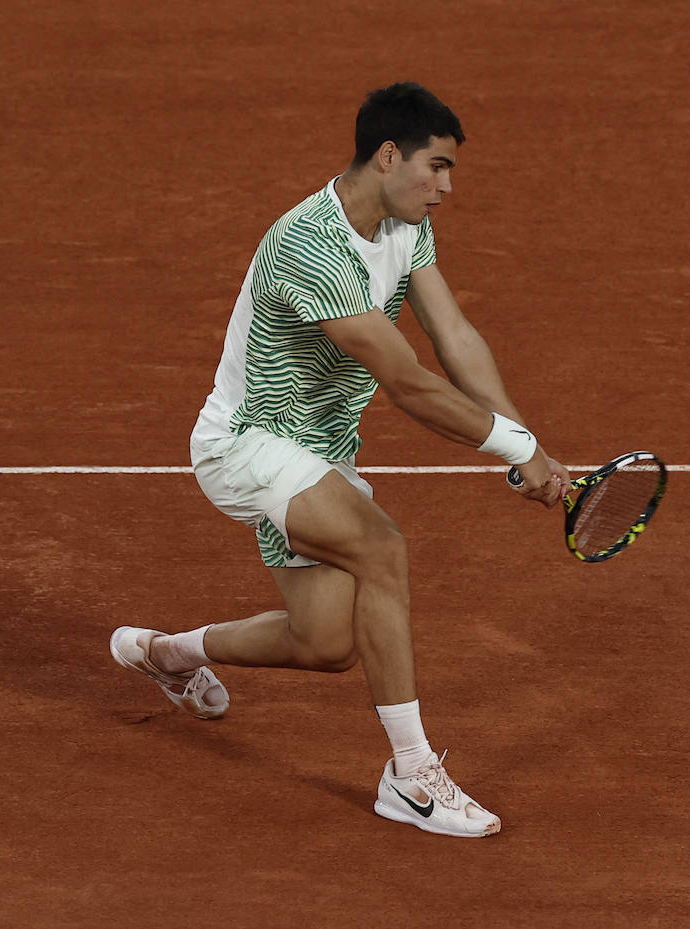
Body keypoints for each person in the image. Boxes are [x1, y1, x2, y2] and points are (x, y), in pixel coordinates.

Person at [110, 81, 570, 838]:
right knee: (382, 550)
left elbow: (453, 337)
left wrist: (528, 444)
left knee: (326, 642)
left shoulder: (404, 226)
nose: (448, 187)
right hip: (248, 443)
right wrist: (516, 447)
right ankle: (413, 777)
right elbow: (407, 382)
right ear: (389, 156)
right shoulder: (309, 244)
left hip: (319, 448)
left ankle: (168, 653)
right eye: (439, 166)